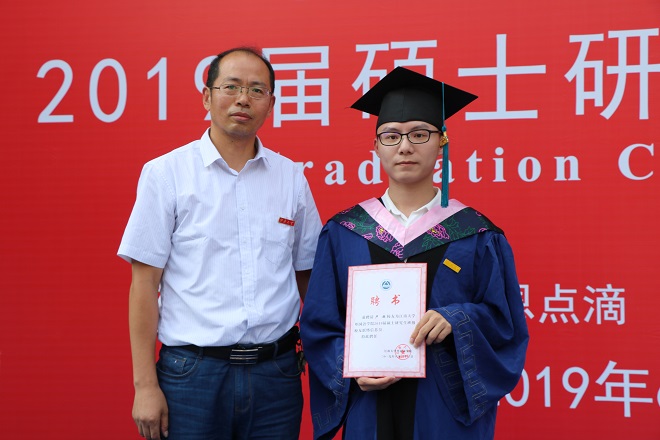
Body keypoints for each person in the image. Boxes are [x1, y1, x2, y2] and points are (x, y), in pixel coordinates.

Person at [300, 67, 529, 440]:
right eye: (391, 136)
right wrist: (350, 368)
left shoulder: (476, 234)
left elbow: (506, 325)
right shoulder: (344, 232)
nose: (404, 147)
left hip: (444, 413)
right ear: (376, 146)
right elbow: (320, 325)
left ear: (441, 142)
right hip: (369, 406)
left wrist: (457, 318)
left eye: (419, 134)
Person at [118, 46, 322, 440]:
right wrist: (144, 386)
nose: (243, 99)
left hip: (276, 376)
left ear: (271, 104)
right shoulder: (166, 174)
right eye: (231, 87)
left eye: (257, 90)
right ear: (207, 97)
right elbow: (143, 285)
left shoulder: (291, 178)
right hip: (192, 376)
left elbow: (308, 277)